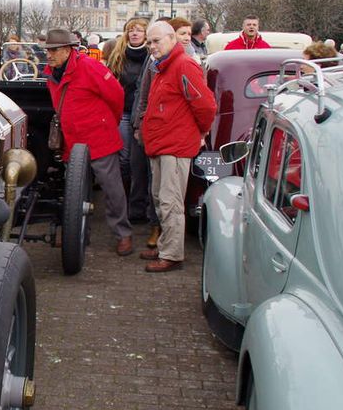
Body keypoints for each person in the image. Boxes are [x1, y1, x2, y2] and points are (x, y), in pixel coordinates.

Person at [41, 28, 133, 255]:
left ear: (67, 50)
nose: (49, 55)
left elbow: (116, 95)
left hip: (98, 137)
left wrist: (106, 122)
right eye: (47, 50)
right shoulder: (52, 73)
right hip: (72, 140)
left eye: (54, 50)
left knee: (111, 188)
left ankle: (123, 233)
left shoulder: (89, 66)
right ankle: (77, 231)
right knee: (74, 189)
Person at [139, 21, 217, 273]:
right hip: (163, 143)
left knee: (170, 201)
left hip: (174, 145)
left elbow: (205, 106)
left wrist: (200, 132)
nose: (151, 46)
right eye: (149, 42)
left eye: (156, 41)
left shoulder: (183, 65)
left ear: (172, 39)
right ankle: (166, 246)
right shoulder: (164, 66)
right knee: (161, 198)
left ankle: (172, 253)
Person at [105, 18, 153, 224]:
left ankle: (138, 205)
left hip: (143, 113)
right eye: (131, 30)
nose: (135, 34)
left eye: (139, 30)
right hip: (123, 112)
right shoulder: (118, 55)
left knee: (139, 162)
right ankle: (122, 201)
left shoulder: (151, 56)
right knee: (124, 160)